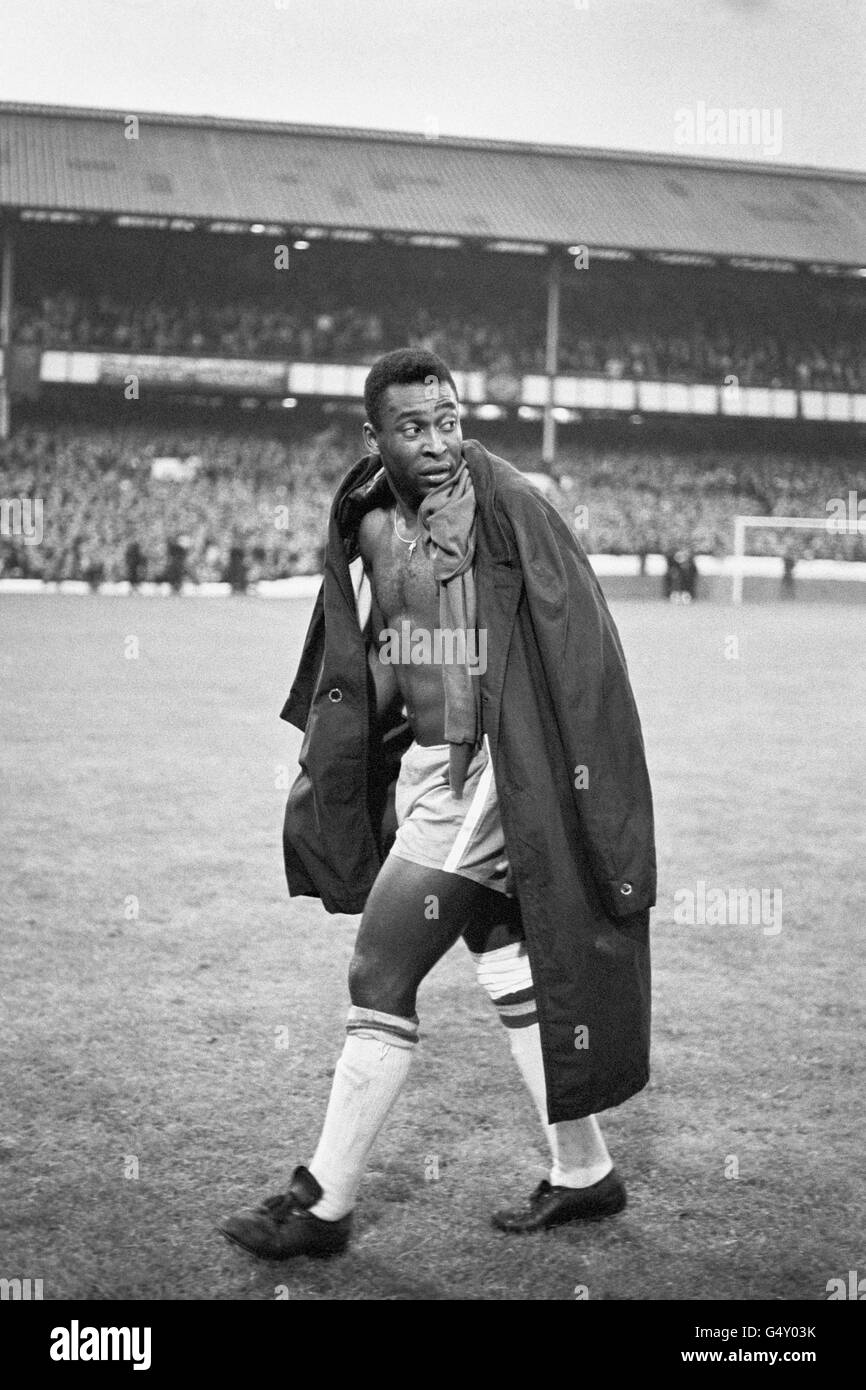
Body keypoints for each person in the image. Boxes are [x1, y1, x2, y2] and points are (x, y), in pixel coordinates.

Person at [217, 348, 656, 1260]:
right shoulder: (370, 517)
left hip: (490, 773)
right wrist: (347, 755)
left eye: (449, 419)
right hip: (428, 766)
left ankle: (322, 1203)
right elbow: (383, 649)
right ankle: (586, 1172)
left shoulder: (510, 507)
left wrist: (563, 774)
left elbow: (584, 654)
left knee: (380, 974)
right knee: (503, 955)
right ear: (373, 434)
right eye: (413, 427)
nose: (439, 441)